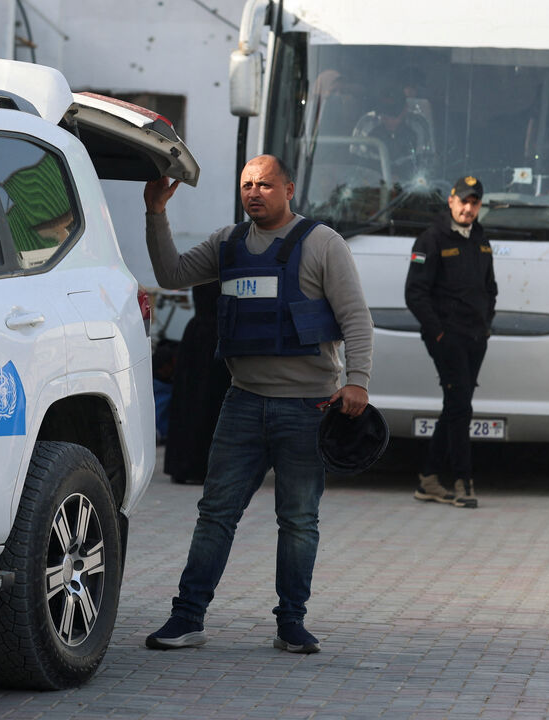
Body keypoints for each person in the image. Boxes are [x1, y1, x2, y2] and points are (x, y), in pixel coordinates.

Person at [141, 155, 374, 654]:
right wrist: (155, 213)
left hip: (307, 409)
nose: (254, 192)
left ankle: (291, 622)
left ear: (288, 189)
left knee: (297, 521)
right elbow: (171, 272)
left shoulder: (321, 243)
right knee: (215, 515)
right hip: (243, 403)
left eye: (265, 185)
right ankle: (187, 618)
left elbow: (356, 318)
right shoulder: (227, 243)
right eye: (247, 184)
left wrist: (358, 381)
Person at [404, 175, 497, 509]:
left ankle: (429, 479)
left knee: (456, 405)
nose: (468, 208)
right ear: (451, 201)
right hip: (447, 337)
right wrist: (438, 332)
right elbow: (414, 293)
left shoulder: (480, 240)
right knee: (461, 405)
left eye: (474, 203)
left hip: (476, 337)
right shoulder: (431, 240)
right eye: (463, 201)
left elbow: (490, 288)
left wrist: (486, 324)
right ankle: (462, 481)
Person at [163, 281, 231, 485]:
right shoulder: (227, 259)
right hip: (215, 337)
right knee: (211, 404)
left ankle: (185, 465)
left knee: (190, 402)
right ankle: (204, 465)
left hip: (198, 337)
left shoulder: (205, 260)